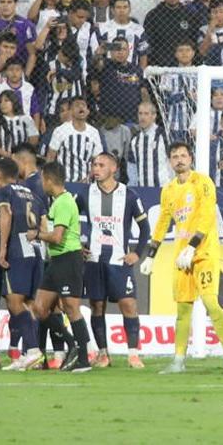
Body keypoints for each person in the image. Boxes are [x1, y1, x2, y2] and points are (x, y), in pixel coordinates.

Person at [141, 142, 223, 375]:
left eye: (183, 155)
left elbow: (207, 215)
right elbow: (162, 223)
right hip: (182, 257)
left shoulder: (202, 182)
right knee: (183, 310)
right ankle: (178, 361)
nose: (179, 160)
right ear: (170, 162)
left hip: (204, 252)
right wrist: (151, 254)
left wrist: (193, 246)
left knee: (210, 303)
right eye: (174, 156)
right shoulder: (168, 190)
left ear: (190, 158)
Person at [79, 153, 151, 369]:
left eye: (101, 165)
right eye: (94, 165)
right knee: (96, 305)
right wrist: (77, 244)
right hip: (94, 260)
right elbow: (69, 219)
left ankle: (133, 354)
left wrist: (137, 253)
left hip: (119, 261)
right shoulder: (85, 194)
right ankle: (103, 354)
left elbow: (145, 227)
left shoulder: (129, 195)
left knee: (128, 304)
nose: (96, 168)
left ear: (113, 168)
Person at [30, 161, 93, 372]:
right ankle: (72, 343)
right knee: (39, 308)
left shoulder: (64, 202)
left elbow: (57, 237)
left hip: (67, 259)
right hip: (57, 261)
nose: (41, 183)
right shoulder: (58, 202)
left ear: (49, 180)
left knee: (71, 308)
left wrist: (37, 235)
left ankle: (83, 359)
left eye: (42, 179)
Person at [0, 157, 43, 370]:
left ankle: (33, 350)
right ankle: (28, 355)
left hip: (18, 251)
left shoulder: (3, 192)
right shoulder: (33, 194)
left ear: (2, 175)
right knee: (29, 304)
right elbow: (43, 224)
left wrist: (3, 248)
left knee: (14, 302)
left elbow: (7, 215)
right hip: (37, 250)